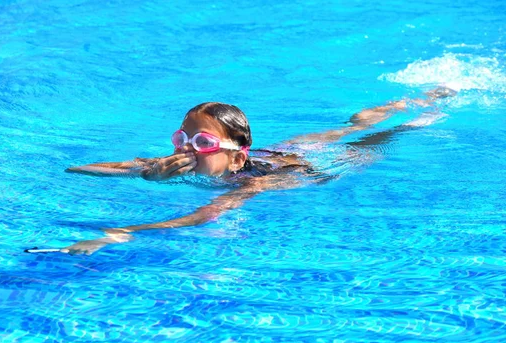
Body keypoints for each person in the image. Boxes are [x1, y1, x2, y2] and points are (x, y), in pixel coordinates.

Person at [52, 88, 455, 255]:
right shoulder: (182, 162)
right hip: (275, 151)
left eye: (204, 144)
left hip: (312, 168)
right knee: (346, 125)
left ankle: (412, 116)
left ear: (235, 158)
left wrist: (122, 233)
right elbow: (81, 168)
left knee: (362, 142)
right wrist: (147, 172)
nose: (189, 150)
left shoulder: (249, 183)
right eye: (182, 139)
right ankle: (389, 108)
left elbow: (203, 216)